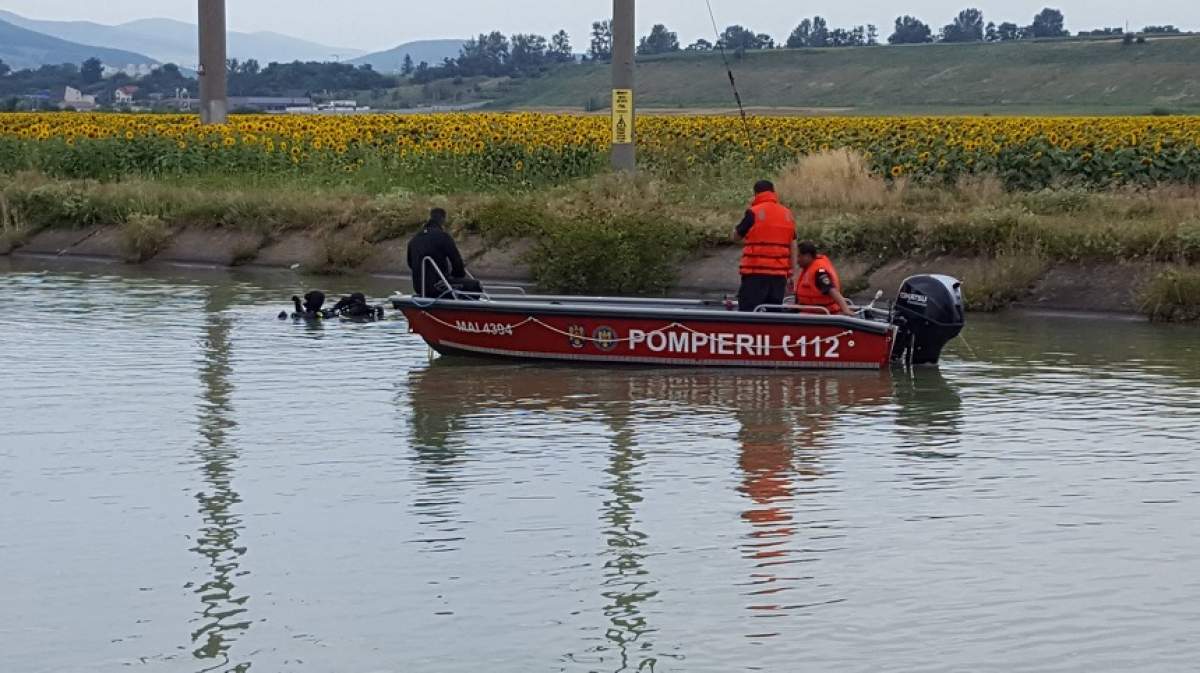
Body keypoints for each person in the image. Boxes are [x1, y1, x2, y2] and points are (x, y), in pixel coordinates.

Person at [734, 180, 797, 312]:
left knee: (748, 312)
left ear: (756, 194)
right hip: (779, 276)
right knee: (773, 314)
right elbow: (793, 245)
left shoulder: (753, 212)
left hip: (755, 273)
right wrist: (791, 273)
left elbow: (736, 236)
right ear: (774, 193)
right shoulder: (787, 214)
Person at [407, 208, 467, 297]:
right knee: (475, 285)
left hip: (419, 288)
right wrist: (457, 276)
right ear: (443, 219)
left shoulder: (414, 239)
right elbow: (457, 262)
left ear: (430, 217)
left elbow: (410, 264)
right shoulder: (443, 237)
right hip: (440, 287)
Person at [794, 241, 855, 316]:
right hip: (810, 313)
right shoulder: (809, 268)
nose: (797, 260)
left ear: (808, 256)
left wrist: (845, 310)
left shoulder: (819, 272)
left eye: (799, 256)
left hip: (821, 314)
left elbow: (832, 290)